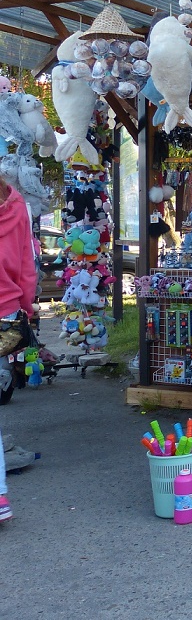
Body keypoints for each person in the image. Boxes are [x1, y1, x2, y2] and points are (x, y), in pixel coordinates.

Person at [0, 176, 39, 522]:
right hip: (6, 314)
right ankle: (0, 498)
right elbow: (27, 264)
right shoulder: (16, 206)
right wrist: (26, 306)